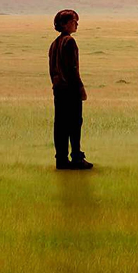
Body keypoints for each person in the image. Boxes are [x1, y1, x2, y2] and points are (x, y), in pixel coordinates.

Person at [49, 9, 93, 170]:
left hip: (58, 89)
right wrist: (80, 88)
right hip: (70, 90)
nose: (76, 24)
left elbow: (52, 69)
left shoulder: (54, 43)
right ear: (64, 24)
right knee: (74, 124)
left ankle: (61, 158)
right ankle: (76, 157)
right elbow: (72, 69)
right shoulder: (69, 42)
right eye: (74, 21)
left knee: (60, 125)